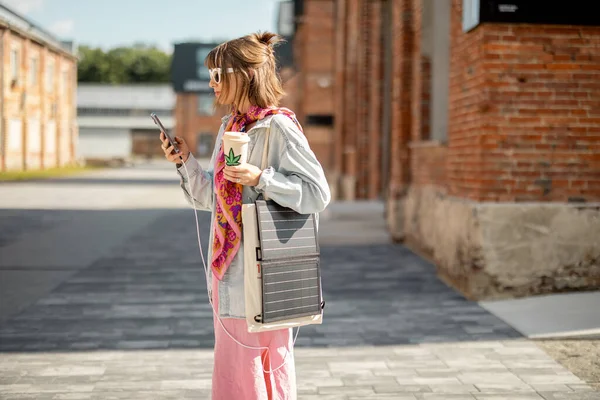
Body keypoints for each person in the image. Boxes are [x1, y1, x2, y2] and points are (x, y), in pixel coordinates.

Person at [159, 31, 331, 400]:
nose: (211, 84)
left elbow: (318, 194)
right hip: (227, 273)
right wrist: (185, 162)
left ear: (242, 75)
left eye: (217, 75)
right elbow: (212, 198)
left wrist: (262, 178)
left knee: (262, 364)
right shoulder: (230, 128)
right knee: (236, 368)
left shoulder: (278, 126)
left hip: (267, 276)